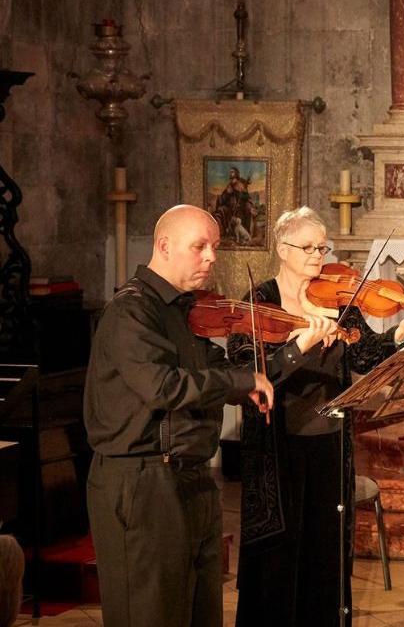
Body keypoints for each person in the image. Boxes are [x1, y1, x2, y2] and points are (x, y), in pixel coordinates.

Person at [226, 206, 404, 627]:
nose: (318, 255)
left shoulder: (339, 300)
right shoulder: (258, 302)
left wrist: (400, 333)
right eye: (308, 247)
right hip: (277, 449)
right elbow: (245, 370)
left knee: (325, 555)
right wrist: (299, 346)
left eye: (323, 246)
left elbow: (364, 354)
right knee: (279, 556)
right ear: (283, 249)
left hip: (329, 443)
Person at [83, 205, 275, 627]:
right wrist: (242, 384)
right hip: (142, 481)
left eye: (215, 247)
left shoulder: (185, 312)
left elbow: (218, 371)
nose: (211, 257)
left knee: (200, 614)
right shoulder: (129, 312)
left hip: (190, 477)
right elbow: (164, 387)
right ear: (165, 246)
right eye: (200, 247)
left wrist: (267, 370)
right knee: (150, 615)